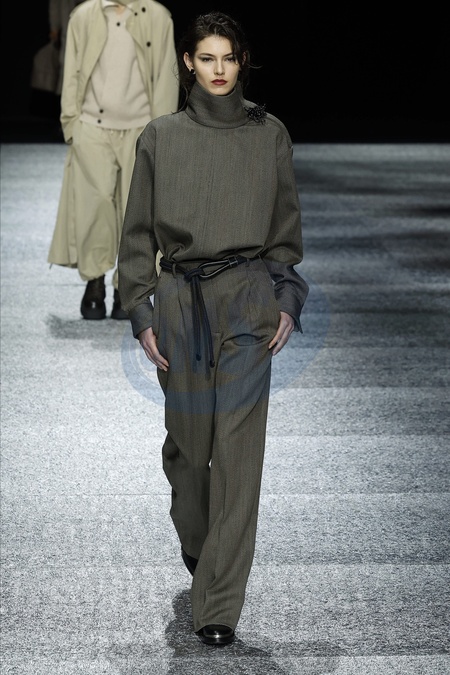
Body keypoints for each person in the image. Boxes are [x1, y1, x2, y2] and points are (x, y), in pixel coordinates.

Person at [118, 11, 309, 645]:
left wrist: (286, 298)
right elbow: (137, 233)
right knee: (188, 454)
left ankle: (219, 604)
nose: (220, 69)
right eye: (207, 58)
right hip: (181, 302)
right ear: (188, 63)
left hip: (249, 301)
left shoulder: (269, 134)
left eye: (229, 58)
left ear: (241, 61)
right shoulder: (161, 136)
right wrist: (141, 310)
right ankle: (201, 544)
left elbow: (284, 232)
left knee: (238, 456)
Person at [47, 0, 179, 320]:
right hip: (92, 126)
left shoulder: (157, 16)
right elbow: (71, 71)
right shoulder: (84, 15)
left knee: (135, 212)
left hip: (141, 127)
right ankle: (95, 281)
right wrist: (71, 125)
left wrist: (162, 132)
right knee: (94, 206)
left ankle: (126, 287)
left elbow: (166, 77)